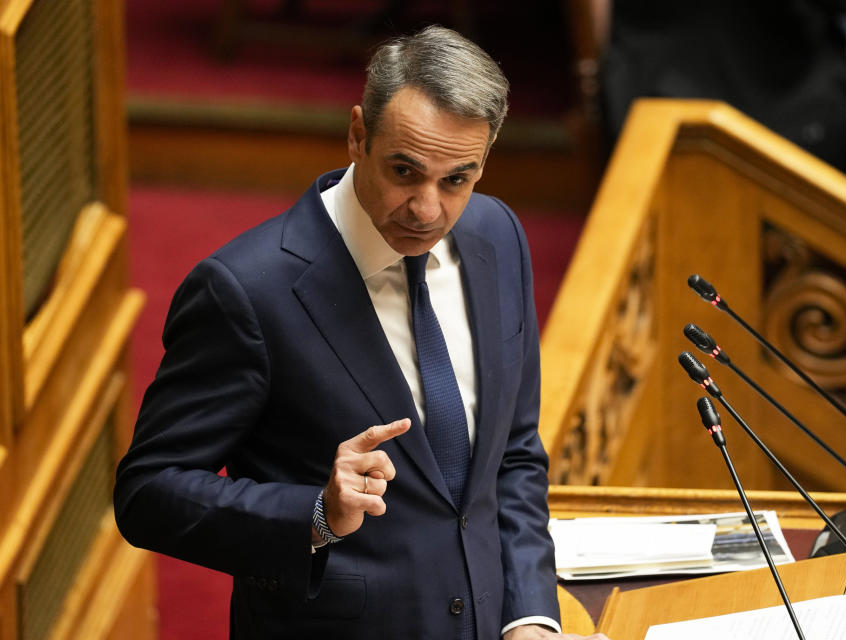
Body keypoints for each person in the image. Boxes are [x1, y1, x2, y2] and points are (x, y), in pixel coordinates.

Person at [114, 25, 609, 640]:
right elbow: (148, 494)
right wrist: (316, 514)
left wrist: (529, 614)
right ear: (357, 135)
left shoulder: (496, 237)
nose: (427, 210)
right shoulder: (246, 290)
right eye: (405, 171)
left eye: (457, 179)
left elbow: (513, 455)